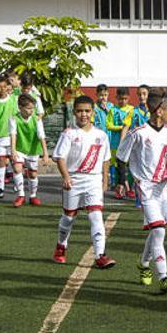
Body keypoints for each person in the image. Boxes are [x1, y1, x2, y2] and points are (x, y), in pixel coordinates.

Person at [117, 89, 167, 293]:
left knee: (158, 232)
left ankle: (143, 264)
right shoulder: (138, 133)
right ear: (158, 111)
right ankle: (164, 276)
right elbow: (122, 157)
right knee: (158, 230)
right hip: (146, 187)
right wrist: (122, 180)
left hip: (165, 189)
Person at [51, 95, 115, 268]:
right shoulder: (69, 134)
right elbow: (60, 157)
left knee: (96, 215)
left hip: (93, 179)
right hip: (74, 179)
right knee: (69, 217)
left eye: (87, 111)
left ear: (93, 112)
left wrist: (105, 178)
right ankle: (61, 245)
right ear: (74, 112)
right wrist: (66, 177)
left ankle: (100, 255)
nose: (84, 115)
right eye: (80, 111)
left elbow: (106, 158)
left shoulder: (101, 135)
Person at [9, 93, 48, 207]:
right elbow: (13, 134)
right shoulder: (13, 118)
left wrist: (45, 153)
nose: (31, 111)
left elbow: (42, 136)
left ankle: (33, 196)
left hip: (33, 149)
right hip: (20, 148)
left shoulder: (36, 119)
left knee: (33, 174)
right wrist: (13, 150)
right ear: (20, 107)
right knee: (17, 168)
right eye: (28, 108)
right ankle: (21, 195)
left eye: (33, 108)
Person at [108, 87, 135, 198]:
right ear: (116, 98)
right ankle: (119, 189)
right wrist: (122, 127)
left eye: (125, 99)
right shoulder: (113, 110)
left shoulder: (132, 110)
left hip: (129, 143)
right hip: (115, 143)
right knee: (118, 166)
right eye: (120, 99)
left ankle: (129, 188)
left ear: (128, 98)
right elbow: (108, 125)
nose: (122, 101)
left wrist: (127, 128)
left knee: (130, 166)